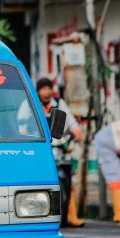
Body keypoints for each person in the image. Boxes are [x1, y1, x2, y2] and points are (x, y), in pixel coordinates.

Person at [22, 78, 85, 227]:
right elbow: (22, 125)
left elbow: (71, 123)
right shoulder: (29, 103)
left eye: (49, 88)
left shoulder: (59, 103)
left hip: (60, 150)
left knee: (71, 182)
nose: (47, 92)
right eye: (44, 89)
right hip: (39, 152)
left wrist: (76, 132)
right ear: (38, 91)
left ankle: (71, 216)